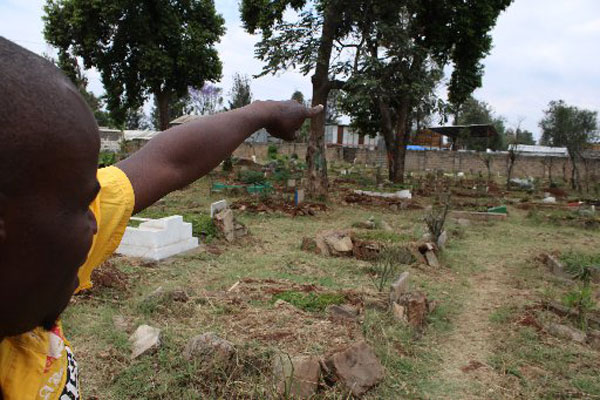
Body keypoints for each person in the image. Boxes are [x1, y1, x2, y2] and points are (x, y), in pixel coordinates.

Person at [0, 37, 322, 400]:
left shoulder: (27, 246)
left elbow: (168, 161)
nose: (94, 221)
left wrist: (261, 112)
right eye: (80, 205)